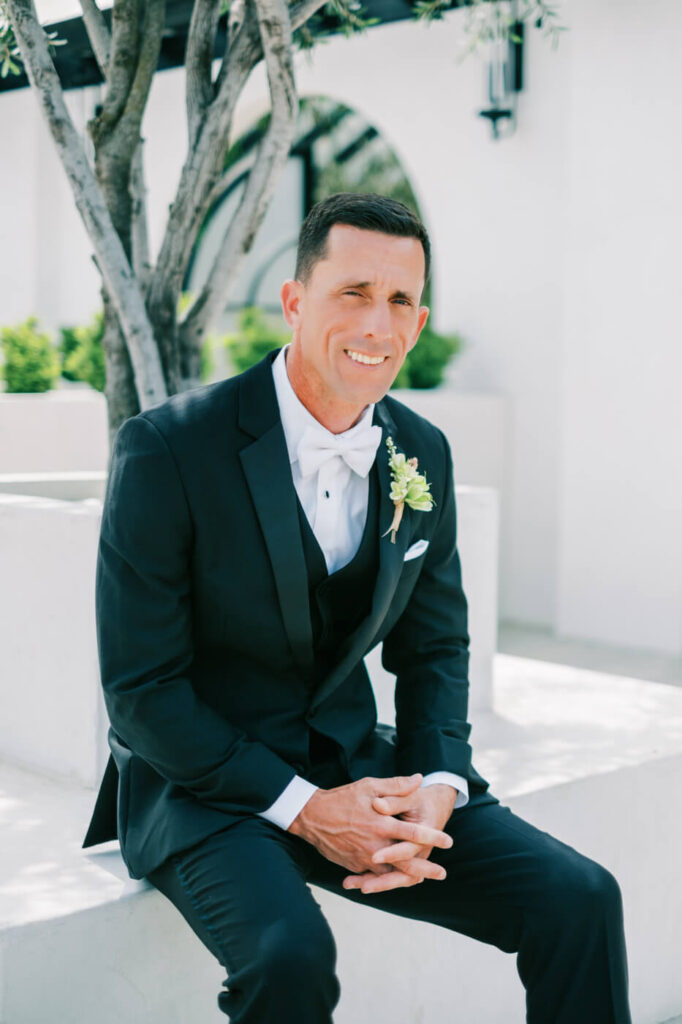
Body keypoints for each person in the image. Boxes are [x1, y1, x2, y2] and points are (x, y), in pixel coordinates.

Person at [83, 192, 631, 1023]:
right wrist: (306, 810)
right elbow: (142, 689)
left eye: (400, 301)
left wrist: (438, 783)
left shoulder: (423, 450)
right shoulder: (167, 449)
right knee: (290, 959)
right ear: (295, 302)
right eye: (353, 294)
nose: (378, 324)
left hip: (351, 764)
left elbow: (435, 646)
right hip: (197, 786)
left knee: (581, 899)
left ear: (418, 323)